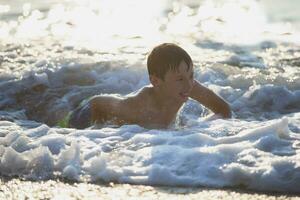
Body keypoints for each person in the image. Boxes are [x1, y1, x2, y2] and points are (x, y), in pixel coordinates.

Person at [67, 43, 231, 129]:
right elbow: (97, 103)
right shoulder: (137, 107)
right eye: (180, 79)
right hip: (84, 111)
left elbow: (224, 110)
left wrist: (198, 127)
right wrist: (98, 130)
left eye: (191, 75)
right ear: (156, 81)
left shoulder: (188, 86)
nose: (189, 84)